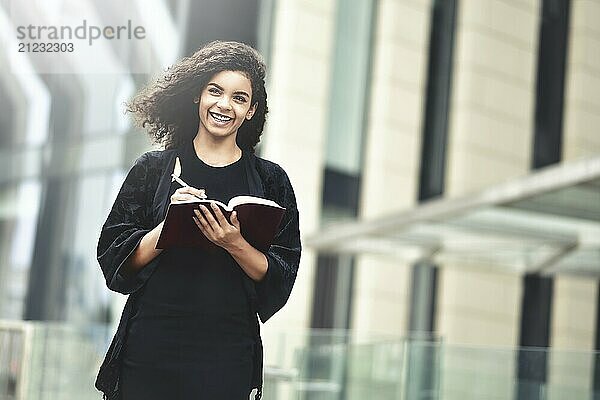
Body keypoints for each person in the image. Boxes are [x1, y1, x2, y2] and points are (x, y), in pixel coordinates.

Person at [95, 41, 301, 400]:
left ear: (251, 110)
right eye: (215, 91)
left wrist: (234, 243)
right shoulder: (152, 170)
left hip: (226, 357)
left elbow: (281, 277)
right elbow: (114, 260)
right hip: (149, 350)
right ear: (198, 97)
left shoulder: (272, 182)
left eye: (239, 98)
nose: (224, 105)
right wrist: (169, 227)